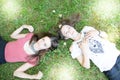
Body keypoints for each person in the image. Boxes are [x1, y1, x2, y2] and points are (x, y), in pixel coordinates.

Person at [58, 16, 120, 80]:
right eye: (66, 32)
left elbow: (106, 36)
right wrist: (84, 51)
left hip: (117, 55)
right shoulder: (74, 48)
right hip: (109, 69)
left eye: (68, 28)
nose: (70, 31)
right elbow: (86, 66)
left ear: (72, 26)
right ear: (66, 37)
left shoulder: (86, 29)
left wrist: (98, 32)